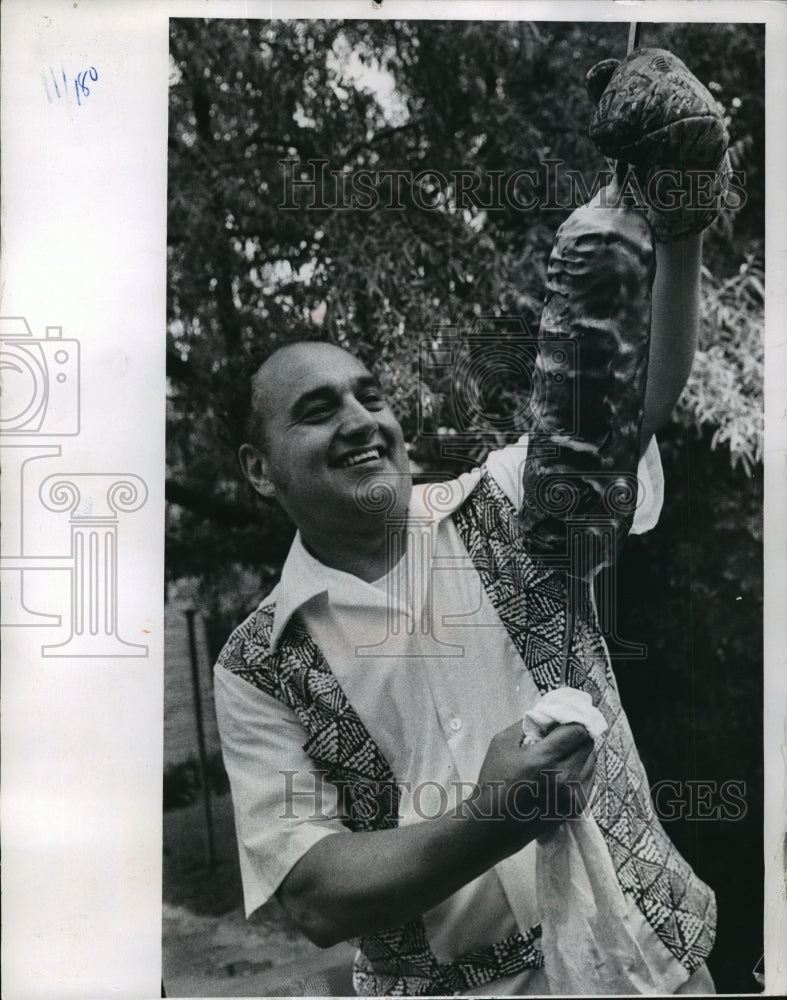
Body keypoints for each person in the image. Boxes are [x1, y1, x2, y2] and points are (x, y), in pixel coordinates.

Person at [214, 51, 725, 996]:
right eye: (318, 410)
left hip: (650, 972)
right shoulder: (255, 665)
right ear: (257, 470)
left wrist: (678, 226)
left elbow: (628, 406)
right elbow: (315, 895)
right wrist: (497, 815)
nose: (364, 421)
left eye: (370, 397)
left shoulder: (502, 506)